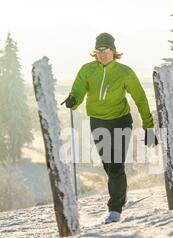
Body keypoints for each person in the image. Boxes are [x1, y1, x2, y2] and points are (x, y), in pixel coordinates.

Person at [65, 32, 158, 224]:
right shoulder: (87, 70)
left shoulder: (124, 72)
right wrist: (73, 100)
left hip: (121, 121)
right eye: (99, 50)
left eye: (106, 50)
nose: (102, 54)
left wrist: (149, 128)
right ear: (95, 53)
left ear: (113, 51)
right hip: (98, 122)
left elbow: (140, 98)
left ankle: (115, 208)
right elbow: (78, 91)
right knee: (108, 164)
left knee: (115, 165)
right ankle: (121, 192)